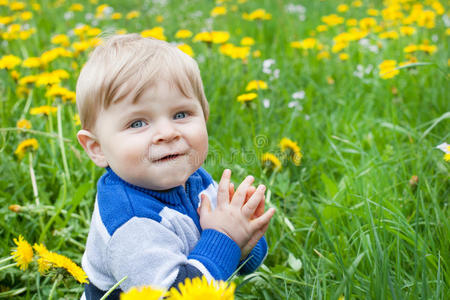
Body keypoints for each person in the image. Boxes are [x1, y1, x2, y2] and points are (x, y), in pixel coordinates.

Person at [75, 33, 276, 299]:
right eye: (138, 123)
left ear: (204, 116)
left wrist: (243, 234)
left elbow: (236, 260)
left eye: (181, 114)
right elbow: (176, 295)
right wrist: (225, 236)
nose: (167, 133)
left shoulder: (195, 179)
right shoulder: (131, 224)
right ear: (97, 148)